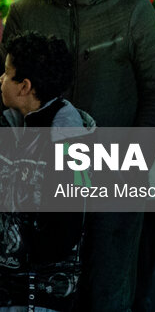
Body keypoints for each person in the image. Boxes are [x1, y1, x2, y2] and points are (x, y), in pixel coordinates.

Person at [0, 0, 155, 312]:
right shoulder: (28, 10)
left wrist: (135, 160)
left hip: (113, 180)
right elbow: (6, 91)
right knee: (40, 298)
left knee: (107, 294)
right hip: (40, 189)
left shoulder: (134, 11)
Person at [0, 32, 95, 312]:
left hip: (41, 293)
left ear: (25, 86)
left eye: (6, 73)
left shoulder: (70, 142)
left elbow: (63, 233)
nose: (1, 79)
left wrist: (21, 254)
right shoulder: (14, 123)